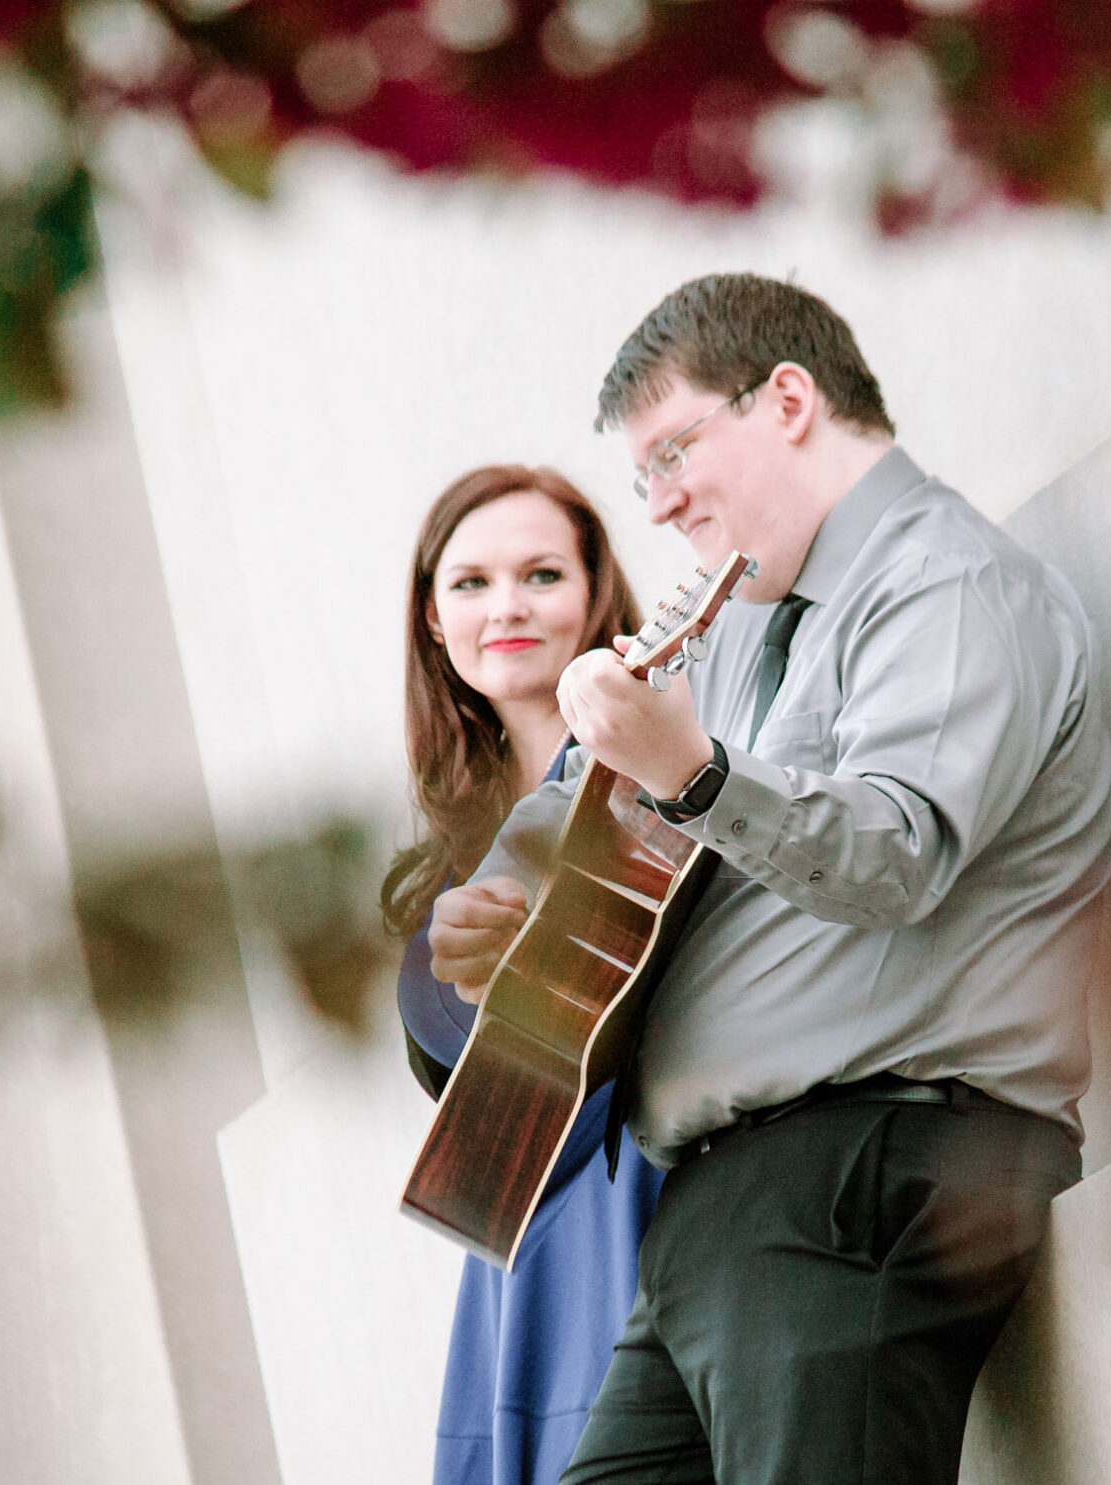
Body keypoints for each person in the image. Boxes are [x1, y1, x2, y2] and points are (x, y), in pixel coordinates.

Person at [429, 274, 1111, 1483]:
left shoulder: (950, 581)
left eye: (673, 452)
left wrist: (691, 772)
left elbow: (897, 852)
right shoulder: (740, 618)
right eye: (642, 476)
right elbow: (624, 837)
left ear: (788, 401)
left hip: (870, 1169)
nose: (658, 503)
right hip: (723, 1209)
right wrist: (521, 901)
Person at [383, 464, 668, 1485]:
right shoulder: (443, 857)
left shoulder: (661, 763)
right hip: (519, 1239)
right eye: (471, 583)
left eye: (541, 574)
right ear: (432, 617)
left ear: (595, 592)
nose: (506, 606)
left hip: (646, 1192)